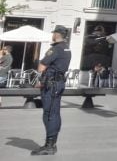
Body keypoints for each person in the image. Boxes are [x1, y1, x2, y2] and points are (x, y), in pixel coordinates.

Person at [31, 25, 72, 156]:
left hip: (52, 85)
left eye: (53, 33)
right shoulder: (66, 48)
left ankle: (50, 145)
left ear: (56, 34)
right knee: (55, 113)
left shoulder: (56, 49)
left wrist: (40, 75)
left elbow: (41, 67)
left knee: (49, 114)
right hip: (57, 83)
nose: (52, 35)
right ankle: (51, 143)